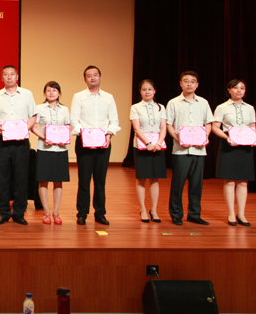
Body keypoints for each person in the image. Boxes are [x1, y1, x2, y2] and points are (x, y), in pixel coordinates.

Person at [70, 65, 121, 226]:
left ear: (100, 77)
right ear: (85, 79)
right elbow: (74, 120)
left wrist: (109, 134)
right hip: (84, 143)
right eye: (89, 75)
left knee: (100, 180)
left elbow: (114, 120)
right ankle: (82, 213)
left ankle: (100, 213)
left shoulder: (108, 97)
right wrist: (85, 135)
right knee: (84, 180)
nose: (92, 78)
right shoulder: (79, 97)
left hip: (103, 143)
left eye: (95, 75)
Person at [0, 65, 37, 225]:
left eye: (12, 74)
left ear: (17, 76)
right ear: (2, 77)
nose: (9, 77)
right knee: (2, 178)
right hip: (2, 141)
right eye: (6, 74)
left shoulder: (27, 94)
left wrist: (25, 128)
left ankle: (19, 213)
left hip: (21, 142)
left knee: (21, 178)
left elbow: (33, 116)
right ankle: (3, 212)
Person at [166, 70, 214, 226]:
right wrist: (178, 138)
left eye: (193, 81)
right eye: (186, 81)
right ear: (181, 83)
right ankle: (176, 214)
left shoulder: (204, 103)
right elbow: (168, 124)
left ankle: (194, 214)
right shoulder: (173, 103)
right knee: (178, 184)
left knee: (196, 184)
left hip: (199, 150)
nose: (189, 84)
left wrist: (205, 137)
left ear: (197, 85)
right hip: (180, 150)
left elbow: (208, 122)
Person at [212, 79, 256, 227]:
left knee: (243, 182)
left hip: (245, 146)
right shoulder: (222, 107)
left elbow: (253, 127)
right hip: (229, 145)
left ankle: (242, 214)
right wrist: (227, 138)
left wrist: (255, 137)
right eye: (235, 88)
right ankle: (231, 213)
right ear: (229, 90)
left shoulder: (250, 108)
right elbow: (215, 127)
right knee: (230, 181)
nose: (239, 90)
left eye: (242, 88)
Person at [30, 81, 71, 225]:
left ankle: (56, 212)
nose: (51, 93)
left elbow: (68, 126)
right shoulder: (39, 108)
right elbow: (33, 127)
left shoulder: (64, 109)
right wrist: (44, 137)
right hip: (44, 148)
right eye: (48, 90)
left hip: (60, 149)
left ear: (59, 93)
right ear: (45, 93)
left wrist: (65, 139)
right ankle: (46, 212)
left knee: (58, 181)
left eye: (54, 90)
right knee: (43, 180)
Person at [129, 79, 167, 224]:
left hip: (157, 146)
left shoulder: (160, 107)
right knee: (141, 178)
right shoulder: (135, 107)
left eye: (150, 89)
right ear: (140, 91)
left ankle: (154, 210)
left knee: (155, 178)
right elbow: (136, 128)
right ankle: (143, 209)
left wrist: (159, 143)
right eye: (144, 89)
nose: (147, 92)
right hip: (142, 145)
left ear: (154, 91)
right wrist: (148, 143)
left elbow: (163, 127)